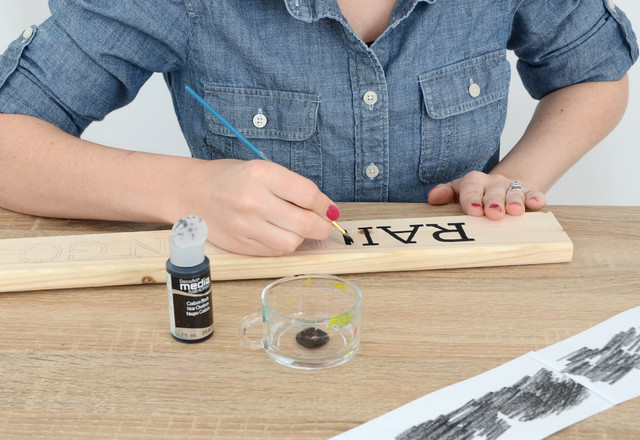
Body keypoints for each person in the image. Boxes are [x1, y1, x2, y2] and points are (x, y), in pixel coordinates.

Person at [0, 0, 637, 256]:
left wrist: (514, 180)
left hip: (471, 302)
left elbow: (593, 75)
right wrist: (185, 192)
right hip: (261, 318)